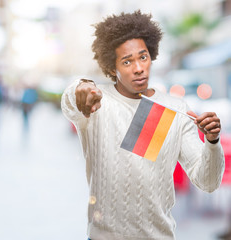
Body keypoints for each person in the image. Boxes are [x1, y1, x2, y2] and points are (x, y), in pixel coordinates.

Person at [61, 10, 225, 240]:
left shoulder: (173, 108)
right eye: (127, 61)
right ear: (111, 68)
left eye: (143, 57)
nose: (138, 68)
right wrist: (80, 86)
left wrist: (212, 142)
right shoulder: (97, 102)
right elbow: (70, 104)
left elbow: (207, 182)